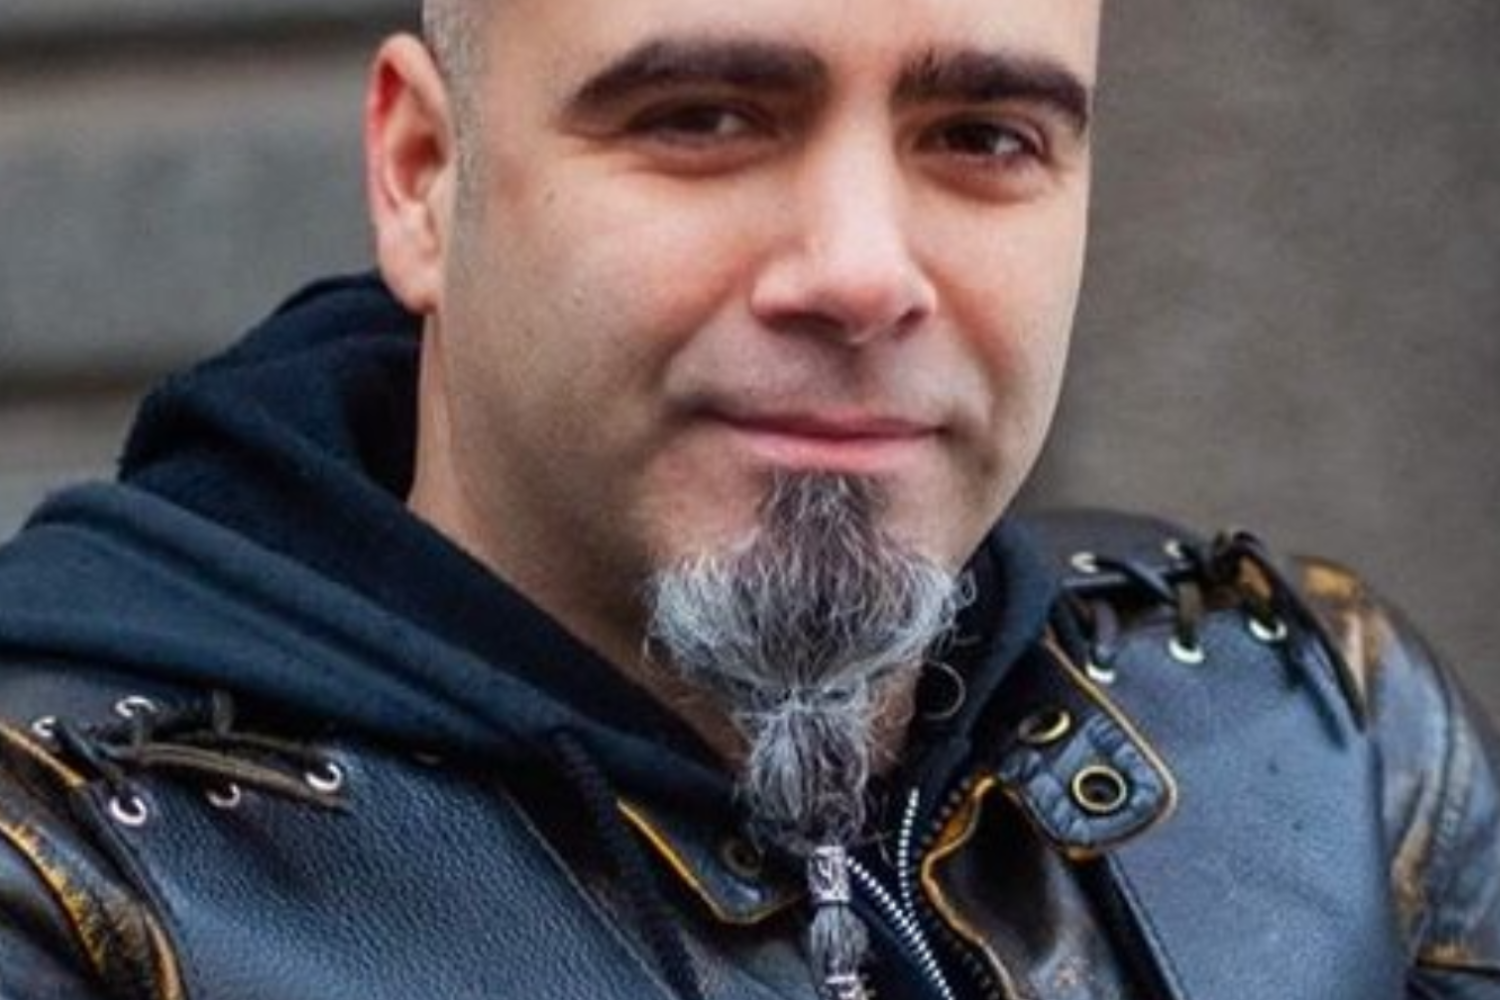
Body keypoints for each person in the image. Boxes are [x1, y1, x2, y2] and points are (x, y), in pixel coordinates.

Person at [0, 0, 1495, 997]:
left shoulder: (1325, 735)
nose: (860, 271)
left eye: (984, 138)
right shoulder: (68, 888)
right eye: (705, 118)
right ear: (422, 173)